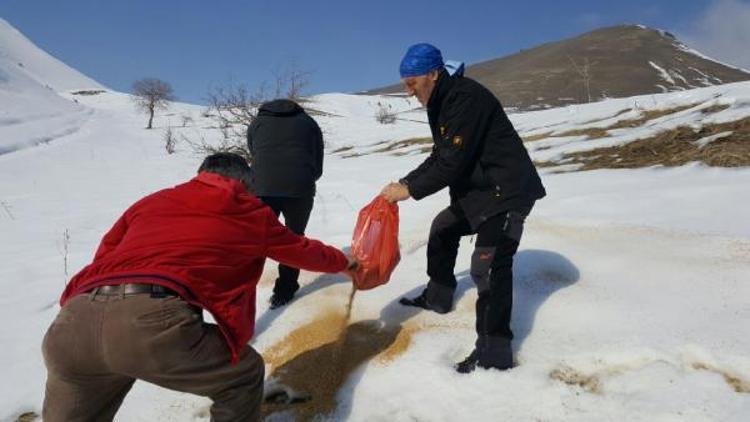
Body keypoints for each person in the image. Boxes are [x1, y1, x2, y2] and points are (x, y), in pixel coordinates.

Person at [42, 153, 355, 422]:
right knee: (243, 376)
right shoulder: (248, 210)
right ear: (245, 184)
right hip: (149, 321)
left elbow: (106, 252)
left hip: (73, 323)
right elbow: (301, 250)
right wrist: (345, 261)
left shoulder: (150, 202)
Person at [380, 43, 546, 373]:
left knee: (488, 266)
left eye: (412, 83)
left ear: (433, 74)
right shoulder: (440, 102)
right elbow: (440, 155)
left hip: (507, 191)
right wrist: (405, 181)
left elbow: (452, 163)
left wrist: (410, 190)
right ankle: (438, 296)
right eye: (404, 85)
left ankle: (494, 352)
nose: (409, 92)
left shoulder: (465, 98)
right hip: (482, 192)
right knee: (443, 227)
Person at [247, 99, 325, 309]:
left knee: (256, 241)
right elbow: (318, 161)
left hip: (262, 190)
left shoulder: (257, 123)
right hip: (300, 190)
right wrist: (305, 178)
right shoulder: (309, 123)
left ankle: (243, 293)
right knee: (293, 239)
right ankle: (285, 290)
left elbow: (254, 152)